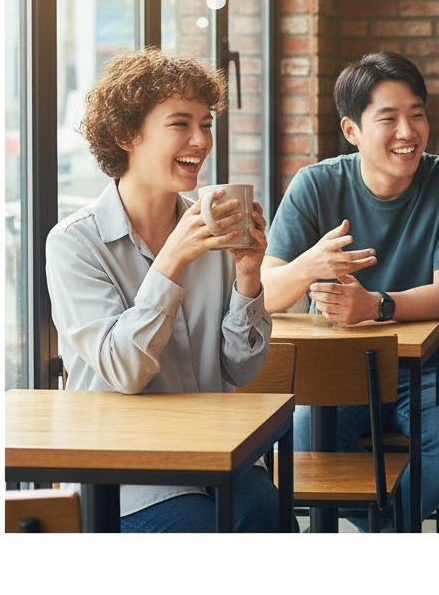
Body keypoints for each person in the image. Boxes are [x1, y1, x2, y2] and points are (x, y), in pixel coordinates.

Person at [46, 48, 276, 533]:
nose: (201, 140)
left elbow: (243, 368)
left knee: (267, 517)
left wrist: (248, 277)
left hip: (219, 453)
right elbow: (124, 370)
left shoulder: (215, 228)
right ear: (125, 134)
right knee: (195, 533)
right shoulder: (75, 244)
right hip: (125, 473)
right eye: (180, 124)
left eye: (206, 123)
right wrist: (172, 261)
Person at [261, 51, 439, 529]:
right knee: (303, 441)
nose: (408, 132)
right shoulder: (315, 185)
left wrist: (375, 306)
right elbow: (264, 293)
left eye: (417, 115)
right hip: (337, 371)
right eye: (388, 118)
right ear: (352, 131)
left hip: (431, 370)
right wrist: (309, 266)